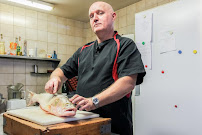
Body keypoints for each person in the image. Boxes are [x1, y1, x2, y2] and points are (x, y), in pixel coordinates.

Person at [45, 1, 146, 135]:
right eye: (91, 16)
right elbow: (61, 71)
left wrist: (94, 101)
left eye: (100, 13)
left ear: (113, 16)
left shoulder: (125, 45)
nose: (95, 18)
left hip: (113, 127)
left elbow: (128, 82)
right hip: (82, 125)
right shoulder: (83, 50)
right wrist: (55, 78)